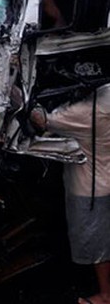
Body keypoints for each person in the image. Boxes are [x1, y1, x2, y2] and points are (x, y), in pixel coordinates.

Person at [30, 84, 110, 304]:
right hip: (105, 178)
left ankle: (105, 295)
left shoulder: (87, 111)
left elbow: (43, 120)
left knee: (99, 245)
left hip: (91, 189)